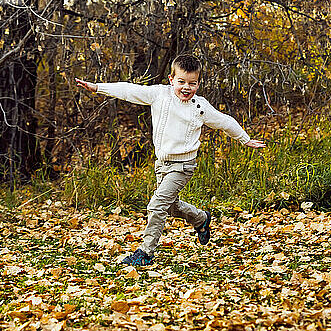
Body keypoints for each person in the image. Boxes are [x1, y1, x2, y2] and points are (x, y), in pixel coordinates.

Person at [75, 54, 266, 266]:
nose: (186, 88)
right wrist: (97, 87)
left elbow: (224, 122)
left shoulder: (199, 107)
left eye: (192, 83)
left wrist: (245, 139)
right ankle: (201, 219)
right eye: (181, 82)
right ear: (171, 79)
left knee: (156, 206)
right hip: (162, 164)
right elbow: (129, 90)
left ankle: (145, 252)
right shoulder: (159, 95)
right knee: (171, 207)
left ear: (198, 83)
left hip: (183, 166)